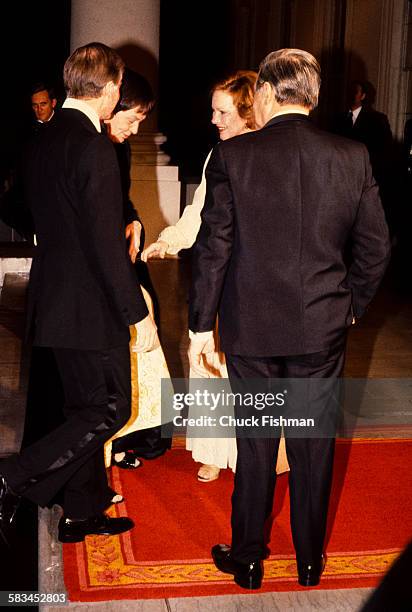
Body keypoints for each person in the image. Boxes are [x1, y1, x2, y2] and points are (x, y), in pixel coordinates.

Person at [188, 48, 390, 589]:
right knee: (311, 446)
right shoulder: (352, 157)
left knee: (255, 444)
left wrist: (201, 326)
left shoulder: (234, 157)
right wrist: (351, 307)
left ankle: (249, 559)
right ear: (313, 95)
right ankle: (308, 562)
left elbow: (214, 249)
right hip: (320, 328)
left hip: (251, 329)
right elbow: (376, 248)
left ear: (267, 93)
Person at [0, 42, 158, 546]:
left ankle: (82, 510)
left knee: (82, 408)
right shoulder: (92, 144)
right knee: (109, 408)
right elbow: (103, 244)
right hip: (91, 306)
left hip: (56, 299)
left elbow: (33, 214)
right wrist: (139, 315)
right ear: (111, 88)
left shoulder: (44, 139)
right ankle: (11, 477)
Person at [142, 71, 289, 482]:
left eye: (222, 111)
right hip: (218, 278)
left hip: (262, 285)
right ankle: (212, 450)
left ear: (247, 113)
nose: (213, 119)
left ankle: (256, 453)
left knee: (254, 372)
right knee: (209, 362)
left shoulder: (273, 153)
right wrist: (170, 241)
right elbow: (199, 211)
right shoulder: (217, 155)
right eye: (212, 110)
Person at [103, 68, 172, 469]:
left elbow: (123, 200)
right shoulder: (91, 145)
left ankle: (137, 435)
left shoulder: (120, 146)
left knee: (149, 323)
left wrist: (136, 222)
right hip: (105, 261)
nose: (136, 129)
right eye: (134, 118)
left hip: (125, 250)